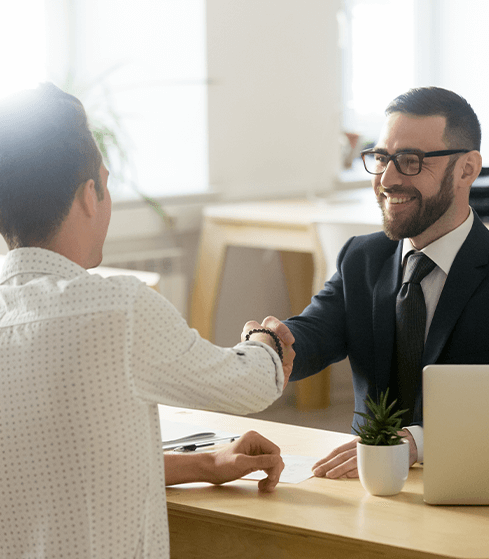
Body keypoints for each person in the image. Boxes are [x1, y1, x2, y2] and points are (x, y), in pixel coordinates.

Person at [0, 83, 293, 559]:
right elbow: (252, 385)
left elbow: (60, 464)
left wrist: (208, 464)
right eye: (106, 182)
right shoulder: (119, 309)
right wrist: (265, 341)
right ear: (90, 195)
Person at [245, 86, 487, 479]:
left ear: (467, 169)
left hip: (470, 485)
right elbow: (314, 332)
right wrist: (270, 344)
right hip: (366, 484)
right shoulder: (362, 257)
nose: (387, 179)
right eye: (380, 158)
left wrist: (417, 441)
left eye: (410, 161)